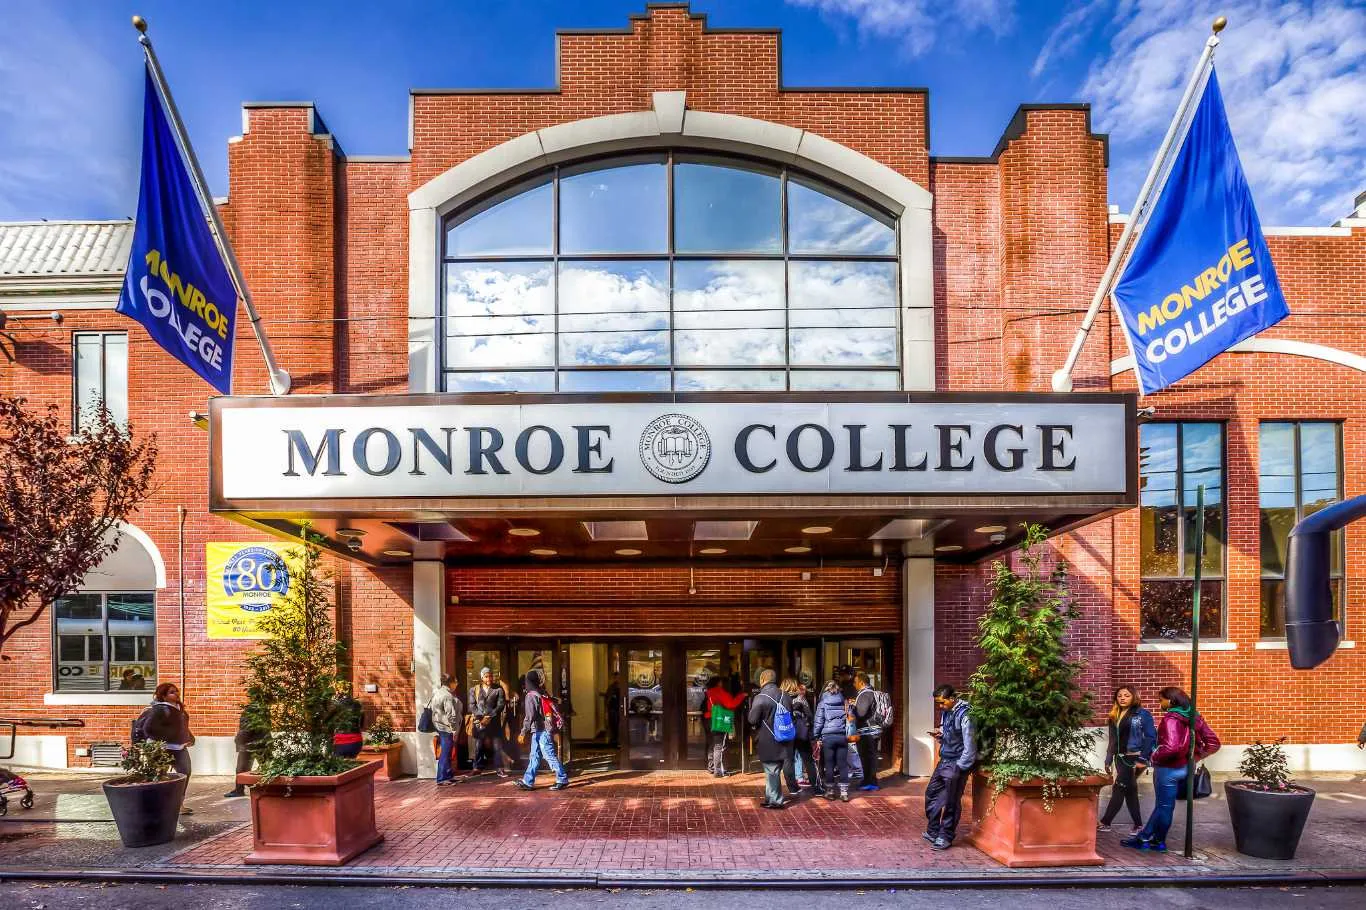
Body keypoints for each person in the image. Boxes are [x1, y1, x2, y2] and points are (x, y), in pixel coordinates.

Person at [1122, 687, 1220, 852]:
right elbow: (1214, 743)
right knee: (1165, 807)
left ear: (1171, 701)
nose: (1160, 703)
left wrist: (1153, 756)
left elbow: (1171, 747)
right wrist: (1196, 757)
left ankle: (1155, 841)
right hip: (1186, 767)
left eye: (1161, 700)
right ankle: (1149, 838)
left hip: (1168, 769)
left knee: (1164, 806)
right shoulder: (1194, 716)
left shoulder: (1171, 719)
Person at [1099, 686, 1157, 833]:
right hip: (1120, 758)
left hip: (1135, 757)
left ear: (1134, 697)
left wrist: (1143, 759)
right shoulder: (1114, 715)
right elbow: (1113, 740)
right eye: (1119, 696)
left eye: (1126, 695)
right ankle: (1138, 825)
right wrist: (1108, 759)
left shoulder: (1142, 714)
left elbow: (1151, 737)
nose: (1122, 698)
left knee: (1119, 787)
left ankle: (1106, 822)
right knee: (1129, 789)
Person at [925, 683, 975, 851]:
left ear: (952, 699)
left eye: (942, 703)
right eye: (938, 703)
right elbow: (949, 734)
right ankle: (933, 831)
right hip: (945, 760)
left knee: (951, 801)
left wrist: (960, 767)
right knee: (931, 794)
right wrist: (941, 736)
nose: (940, 706)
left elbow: (970, 745)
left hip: (957, 763)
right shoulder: (947, 712)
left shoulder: (966, 715)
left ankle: (945, 836)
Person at [137, 683, 196, 815]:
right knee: (159, 776)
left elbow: (181, 726)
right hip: (162, 749)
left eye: (176, 691)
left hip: (179, 748)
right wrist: (172, 737)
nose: (176, 694)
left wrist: (190, 737)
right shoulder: (159, 709)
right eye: (171, 692)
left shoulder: (177, 708)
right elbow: (149, 729)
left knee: (185, 773)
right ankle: (157, 804)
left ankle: (179, 805)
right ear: (163, 695)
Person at [516, 669, 569, 791]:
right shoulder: (541, 692)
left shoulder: (530, 696)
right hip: (540, 731)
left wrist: (523, 732)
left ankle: (562, 778)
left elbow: (530, 717)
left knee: (549, 755)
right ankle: (528, 781)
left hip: (542, 731)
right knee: (534, 756)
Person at [747, 668, 791, 808]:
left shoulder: (760, 697)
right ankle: (769, 797)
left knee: (772, 769)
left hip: (768, 738)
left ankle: (776, 801)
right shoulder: (785, 695)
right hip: (784, 736)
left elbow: (752, 719)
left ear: (763, 680)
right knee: (773, 769)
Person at [813, 679, 852, 801]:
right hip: (842, 736)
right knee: (842, 764)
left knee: (829, 764)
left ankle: (830, 791)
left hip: (828, 737)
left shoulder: (822, 703)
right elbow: (850, 717)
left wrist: (815, 736)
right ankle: (844, 793)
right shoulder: (844, 701)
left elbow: (819, 722)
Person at [703, 674, 746, 777]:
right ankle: (718, 771)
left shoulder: (707, 692)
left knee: (712, 744)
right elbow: (731, 704)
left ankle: (711, 767)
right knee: (719, 746)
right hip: (718, 719)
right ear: (718, 683)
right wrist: (742, 696)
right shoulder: (719, 691)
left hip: (708, 719)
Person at [468, 667, 508, 777]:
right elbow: (472, 706)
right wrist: (481, 717)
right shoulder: (474, 690)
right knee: (478, 746)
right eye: (486, 676)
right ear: (482, 678)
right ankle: (477, 768)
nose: (489, 678)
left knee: (497, 746)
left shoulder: (498, 689)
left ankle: (499, 768)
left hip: (494, 722)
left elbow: (501, 705)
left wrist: (489, 716)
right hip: (479, 722)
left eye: (490, 676)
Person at [429, 674, 463, 785]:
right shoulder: (447, 696)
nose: (457, 684)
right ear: (450, 682)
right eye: (456, 681)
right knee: (446, 753)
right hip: (446, 727)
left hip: (440, 725)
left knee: (447, 752)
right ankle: (442, 778)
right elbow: (451, 716)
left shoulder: (438, 692)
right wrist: (454, 730)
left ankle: (448, 775)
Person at [223, 707, 263, 798]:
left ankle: (239, 790)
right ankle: (240, 789)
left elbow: (246, 729)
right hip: (260, 743)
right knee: (265, 765)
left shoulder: (251, 710)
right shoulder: (263, 710)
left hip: (248, 745)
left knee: (241, 768)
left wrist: (238, 739)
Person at [852, 671, 880, 791]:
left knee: (867, 756)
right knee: (871, 756)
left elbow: (861, 713)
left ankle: (870, 781)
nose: (854, 684)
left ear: (862, 682)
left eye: (855, 682)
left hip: (867, 731)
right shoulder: (872, 692)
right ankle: (870, 780)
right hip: (873, 730)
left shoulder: (865, 694)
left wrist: (853, 708)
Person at [792, 681, 818, 792]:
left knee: (796, 756)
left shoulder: (793, 700)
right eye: (802, 690)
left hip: (794, 731)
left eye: (804, 690)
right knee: (802, 756)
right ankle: (800, 777)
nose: (804, 692)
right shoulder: (800, 700)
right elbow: (809, 715)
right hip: (801, 732)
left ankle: (798, 777)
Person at [331, 686, 365, 759]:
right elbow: (361, 724)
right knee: (352, 764)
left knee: (340, 766)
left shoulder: (336, 706)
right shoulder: (358, 706)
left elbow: (330, 724)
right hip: (356, 741)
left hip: (340, 741)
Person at [604, 673, 623, 747]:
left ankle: (619, 740)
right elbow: (607, 698)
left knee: (620, 725)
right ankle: (614, 740)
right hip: (612, 709)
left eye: (618, 677)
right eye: (616, 677)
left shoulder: (622, 686)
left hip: (620, 709)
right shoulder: (611, 687)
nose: (617, 679)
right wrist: (606, 710)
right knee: (613, 725)